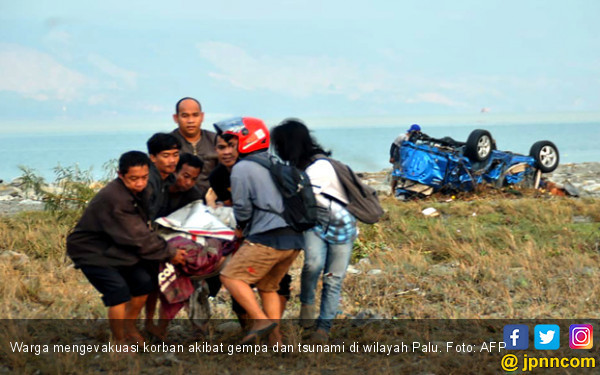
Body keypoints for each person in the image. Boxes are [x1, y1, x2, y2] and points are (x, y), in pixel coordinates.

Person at [66, 151, 186, 345]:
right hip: (91, 250)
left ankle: (129, 326)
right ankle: (119, 341)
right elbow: (138, 236)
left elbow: (142, 229)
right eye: (133, 179)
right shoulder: (115, 198)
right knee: (118, 292)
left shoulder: (142, 191)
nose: (139, 183)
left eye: (144, 178)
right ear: (120, 175)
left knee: (144, 282)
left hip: (117, 246)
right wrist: (169, 252)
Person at [218, 117, 303, 346]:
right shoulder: (274, 162)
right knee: (268, 287)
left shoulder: (242, 168)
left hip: (267, 238)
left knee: (230, 276)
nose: (230, 148)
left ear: (247, 139)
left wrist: (241, 229)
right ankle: (276, 341)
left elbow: (243, 210)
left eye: (234, 142)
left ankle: (260, 321)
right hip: (293, 240)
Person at [270, 118, 358, 343]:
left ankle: (323, 329)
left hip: (342, 227)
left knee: (333, 278)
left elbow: (296, 198)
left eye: (279, 144)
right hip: (315, 224)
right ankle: (307, 305)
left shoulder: (319, 167)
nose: (277, 149)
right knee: (313, 265)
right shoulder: (296, 169)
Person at [170, 97, 218, 196]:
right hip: (178, 200)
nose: (190, 120)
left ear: (202, 116)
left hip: (214, 199)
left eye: (195, 115)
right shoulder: (168, 144)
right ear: (176, 118)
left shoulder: (216, 141)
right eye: (185, 116)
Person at [146, 132, 181, 220]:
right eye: (166, 156)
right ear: (153, 157)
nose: (172, 160)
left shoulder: (170, 178)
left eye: (176, 155)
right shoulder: (147, 179)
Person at [389, 124, 421, 195]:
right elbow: (393, 146)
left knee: (404, 174)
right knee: (396, 174)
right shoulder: (402, 136)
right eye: (417, 132)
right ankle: (392, 191)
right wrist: (392, 156)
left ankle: (402, 190)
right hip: (398, 157)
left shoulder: (413, 139)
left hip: (406, 159)